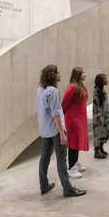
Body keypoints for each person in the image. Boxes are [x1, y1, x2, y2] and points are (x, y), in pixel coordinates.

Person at [36, 64, 86, 197]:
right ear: (52, 75)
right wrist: (62, 133)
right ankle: (67, 188)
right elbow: (56, 114)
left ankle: (44, 185)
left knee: (45, 157)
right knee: (61, 159)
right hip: (56, 130)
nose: (59, 75)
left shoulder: (40, 90)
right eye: (57, 72)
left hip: (45, 129)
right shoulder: (53, 91)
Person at [62, 67, 89, 179]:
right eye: (83, 72)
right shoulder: (72, 87)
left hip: (80, 118)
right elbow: (63, 104)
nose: (85, 74)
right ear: (77, 74)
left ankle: (75, 163)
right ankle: (71, 168)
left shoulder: (80, 86)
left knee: (77, 141)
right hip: (73, 120)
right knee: (73, 143)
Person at [92, 74, 109, 159]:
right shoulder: (96, 91)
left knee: (104, 132)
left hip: (105, 115)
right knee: (98, 133)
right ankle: (96, 152)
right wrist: (98, 116)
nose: (107, 80)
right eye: (105, 79)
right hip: (99, 116)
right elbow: (95, 105)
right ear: (101, 81)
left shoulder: (103, 91)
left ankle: (101, 148)